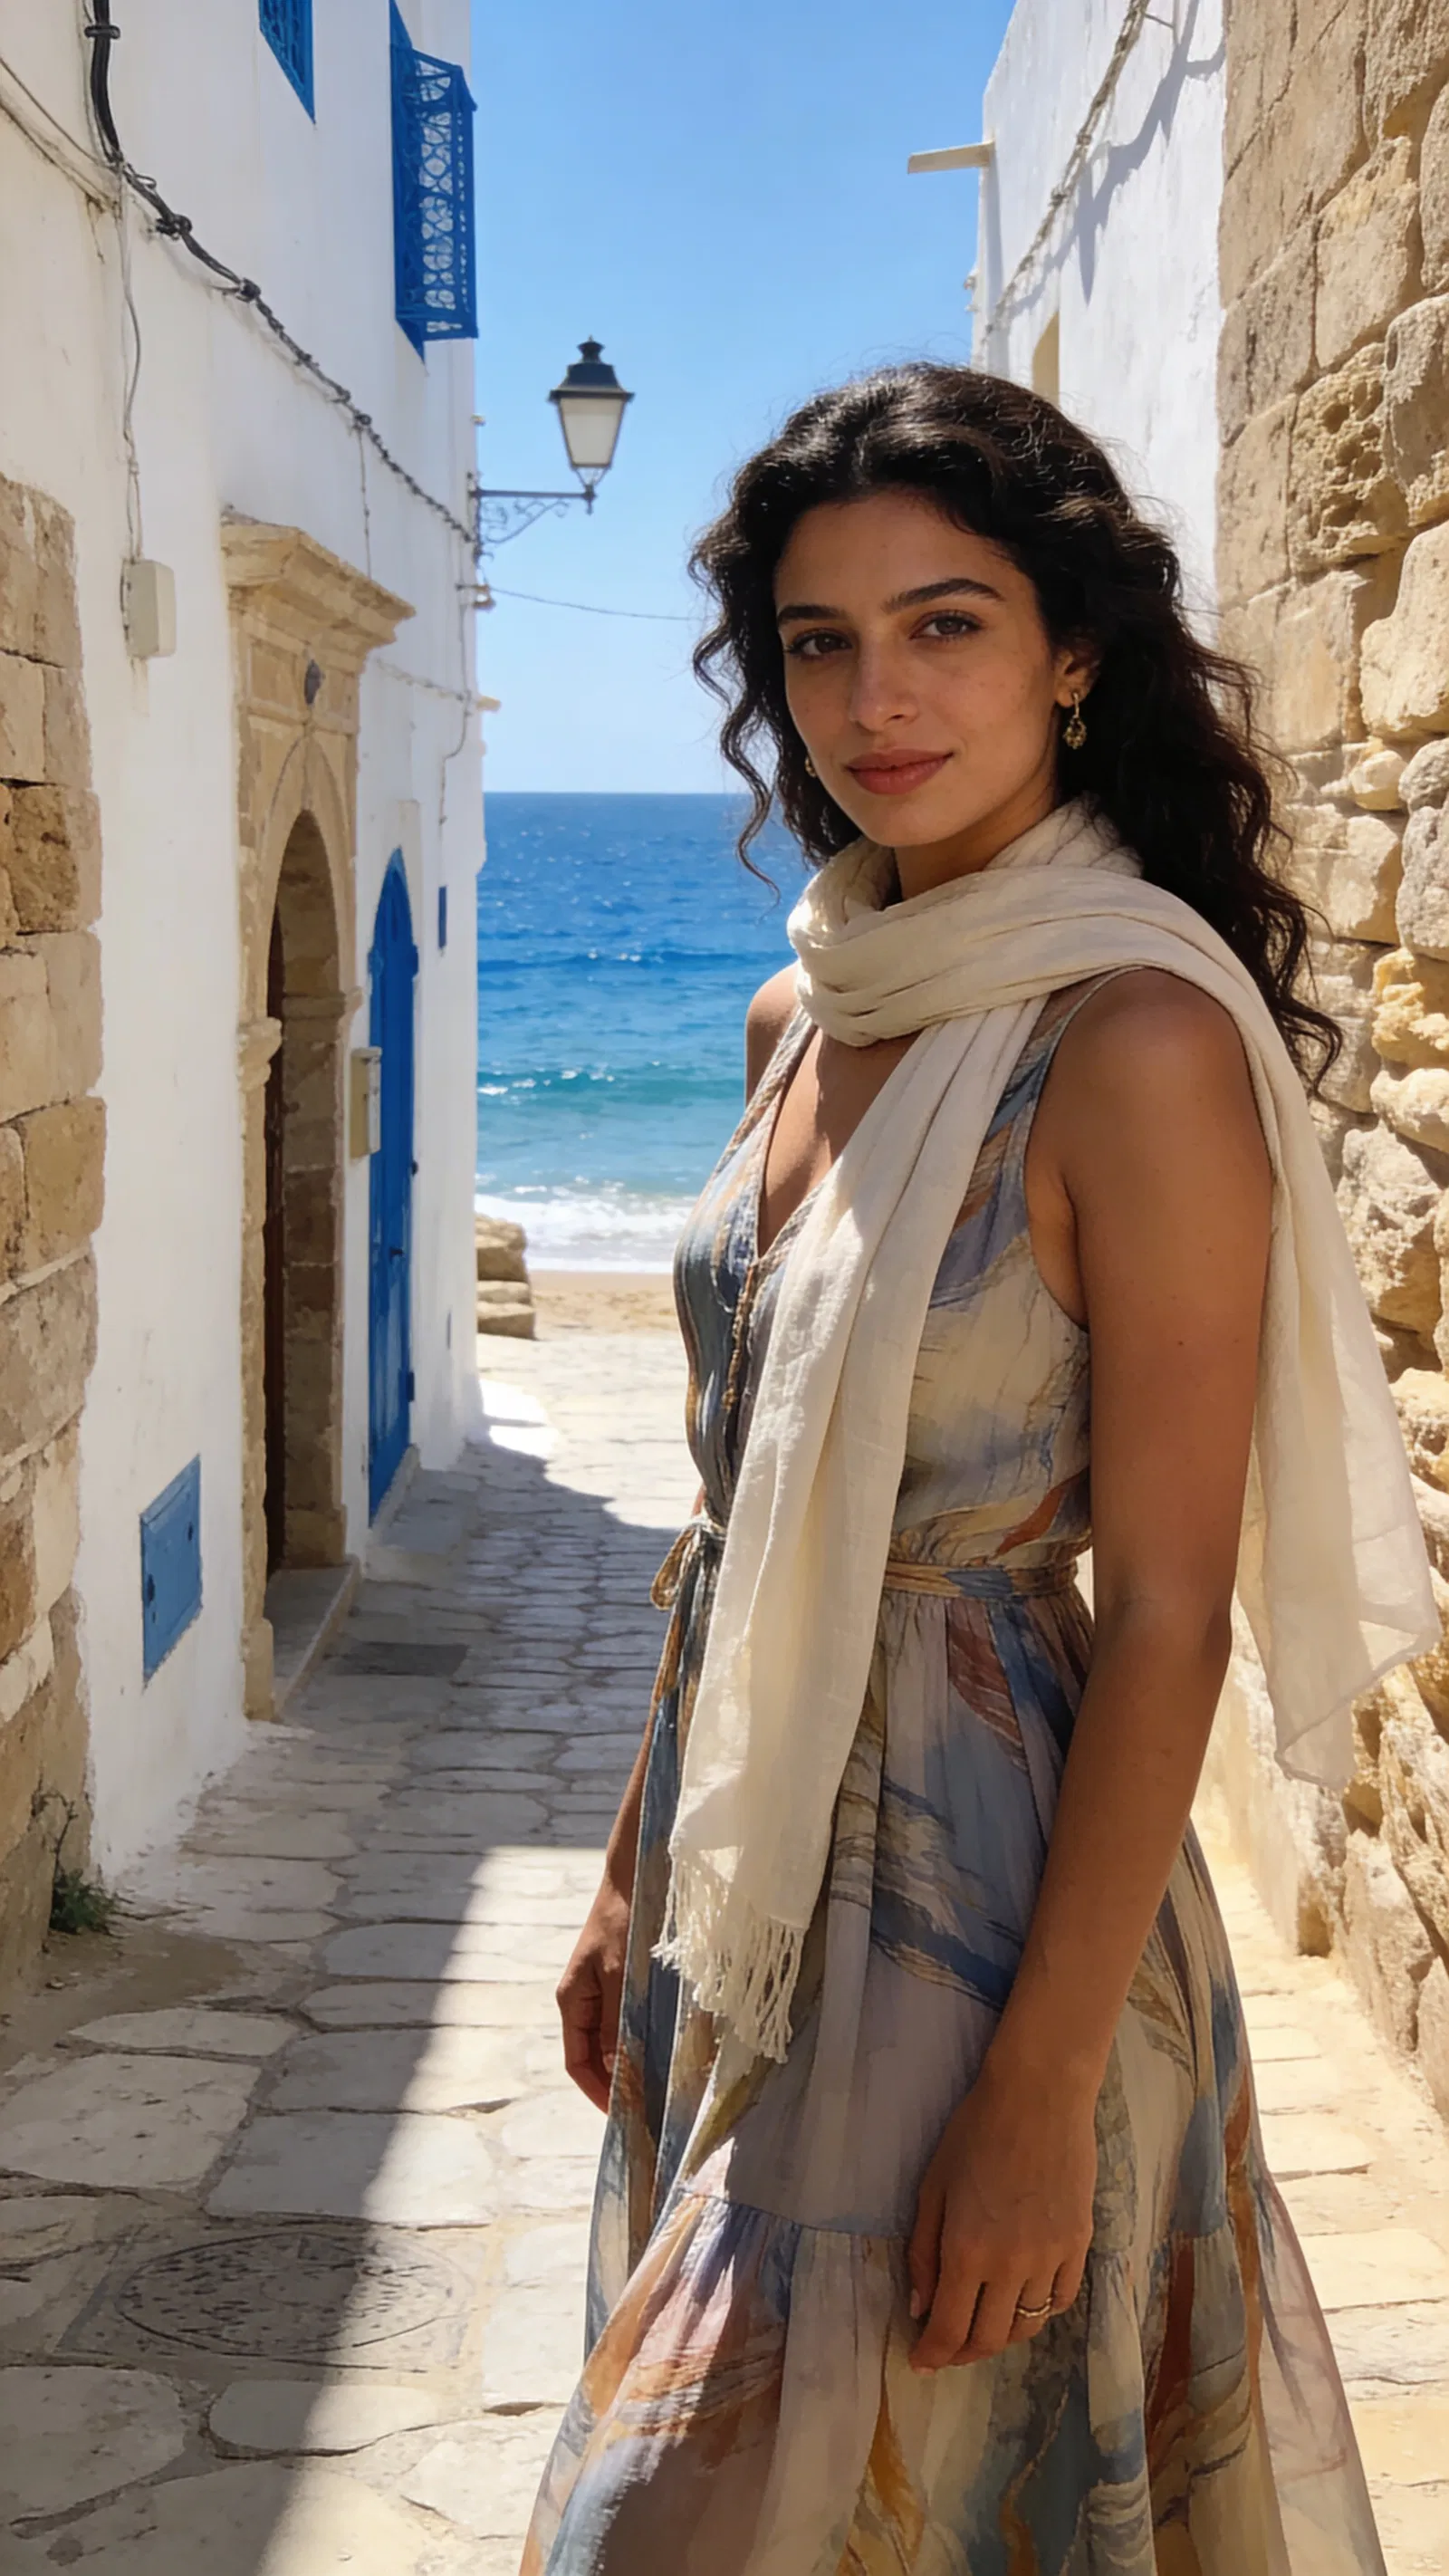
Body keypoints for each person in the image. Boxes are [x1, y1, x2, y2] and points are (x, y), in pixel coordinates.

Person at [520, 365, 1435, 2574]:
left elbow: (1172, 1610)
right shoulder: (803, 1013)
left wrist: (1036, 2089)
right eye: (816, 643)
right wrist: (632, 1865)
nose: (874, 700)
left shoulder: (1130, 1040)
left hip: (979, 1897)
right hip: (739, 1868)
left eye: (942, 625)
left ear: (1071, 652)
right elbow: (743, 1506)